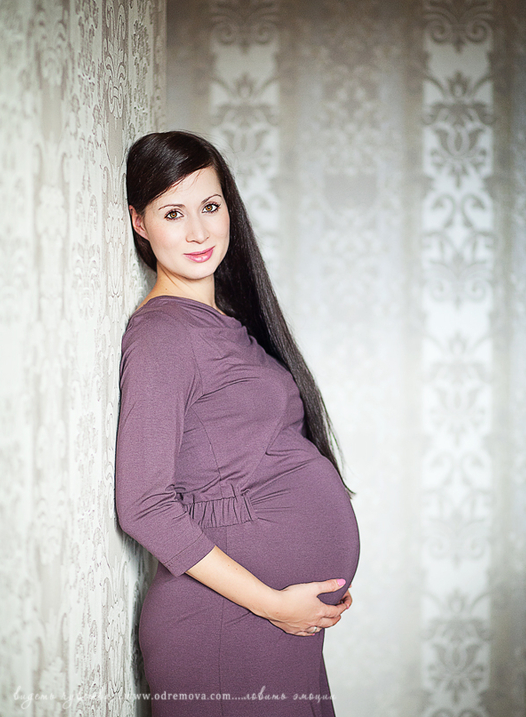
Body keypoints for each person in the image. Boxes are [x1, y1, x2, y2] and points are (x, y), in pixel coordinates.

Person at [115, 131, 360, 716]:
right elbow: (143, 504)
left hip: (266, 623)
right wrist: (274, 604)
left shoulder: (224, 323)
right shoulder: (162, 336)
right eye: (173, 213)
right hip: (228, 625)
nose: (199, 232)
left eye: (210, 206)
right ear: (140, 223)